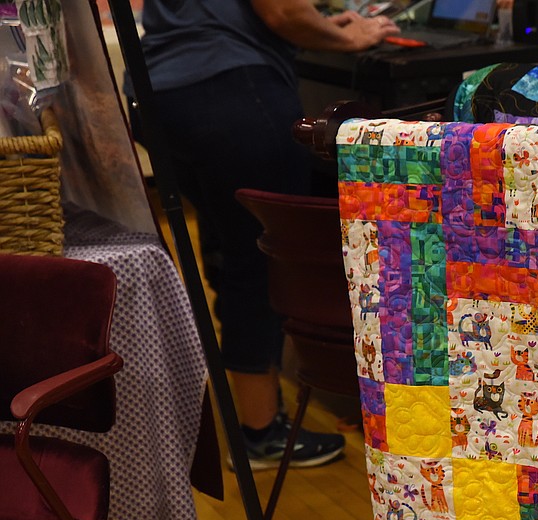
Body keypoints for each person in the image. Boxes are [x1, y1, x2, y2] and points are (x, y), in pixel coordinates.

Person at [138, 1, 397, 470]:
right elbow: (283, 10)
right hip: (230, 87)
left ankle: (248, 405)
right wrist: (351, 38)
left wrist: (321, 26)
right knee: (263, 258)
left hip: (162, 91)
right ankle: (260, 431)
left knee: (229, 247)